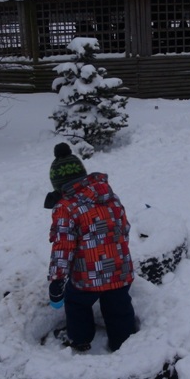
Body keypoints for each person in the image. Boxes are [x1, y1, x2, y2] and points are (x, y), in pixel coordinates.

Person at [46, 142, 136, 352]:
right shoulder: (110, 196)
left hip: (87, 277)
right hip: (119, 270)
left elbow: (63, 245)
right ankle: (123, 343)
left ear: (58, 185)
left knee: (77, 304)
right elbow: (124, 228)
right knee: (119, 308)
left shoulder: (65, 207)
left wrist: (57, 279)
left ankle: (80, 340)